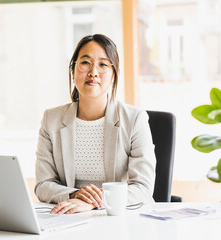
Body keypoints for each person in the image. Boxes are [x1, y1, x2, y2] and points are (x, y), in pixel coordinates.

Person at [34, 34, 156, 214]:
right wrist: (76, 195)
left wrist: (96, 202)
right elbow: (43, 185)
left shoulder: (135, 119)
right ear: (73, 70)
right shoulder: (51, 119)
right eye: (85, 62)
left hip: (119, 216)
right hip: (69, 217)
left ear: (113, 75)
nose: (93, 72)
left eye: (103, 64)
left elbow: (143, 188)